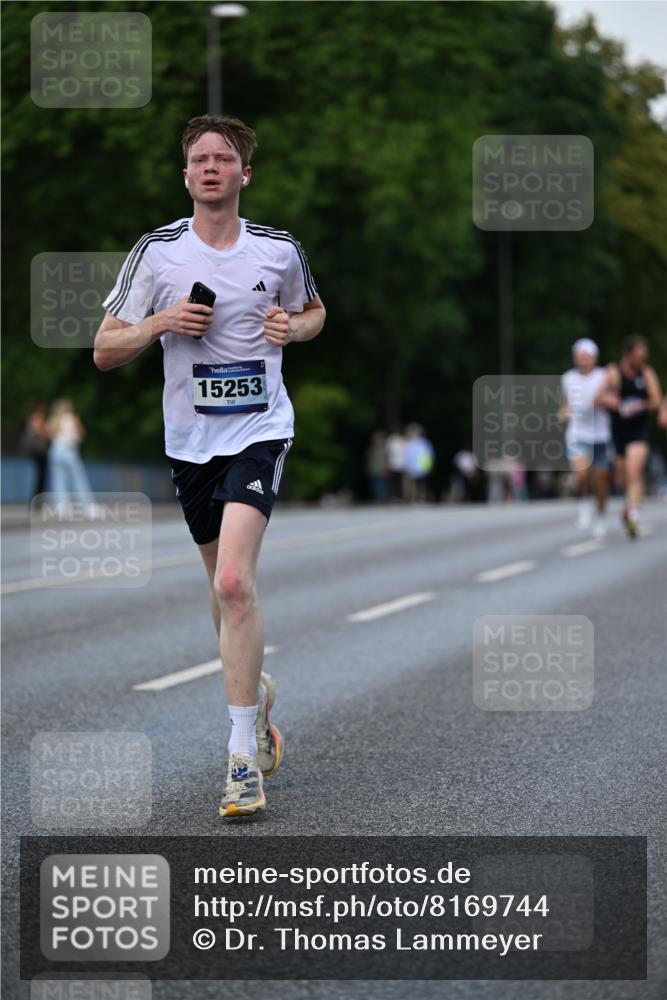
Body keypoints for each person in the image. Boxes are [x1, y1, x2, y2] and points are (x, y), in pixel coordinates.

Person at [94, 116, 325, 817]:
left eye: (224, 158)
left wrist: (292, 327)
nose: (212, 168)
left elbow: (313, 311)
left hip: (260, 429)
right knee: (220, 592)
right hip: (190, 440)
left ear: (244, 174)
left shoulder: (277, 249)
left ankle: (240, 758)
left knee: (232, 582)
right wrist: (162, 322)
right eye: (200, 159)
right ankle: (257, 702)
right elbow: (104, 349)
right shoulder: (157, 252)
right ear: (186, 175)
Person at [602, 335, 662, 538]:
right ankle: (629, 505)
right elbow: (598, 397)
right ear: (628, 354)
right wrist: (610, 400)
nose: (641, 360)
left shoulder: (646, 373)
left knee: (634, 470)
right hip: (618, 431)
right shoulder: (613, 372)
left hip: (638, 430)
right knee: (622, 478)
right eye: (637, 356)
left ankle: (632, 514)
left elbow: (656, 400)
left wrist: (641, 405)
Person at [559, 338, 612, 539]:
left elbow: (612, 398)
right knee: (581, 475)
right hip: (577, 434)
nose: (583, 359)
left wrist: (604, 400)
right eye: (580, 356)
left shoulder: (604, 376)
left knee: (600, 482)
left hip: (600, 435)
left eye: (587, 356)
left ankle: (600, 517)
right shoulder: (568, 378)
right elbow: (568, 402)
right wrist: (563, 412)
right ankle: (583, 505)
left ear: (594, 358)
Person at [46, 399, 96, 517]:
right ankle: (88, 507)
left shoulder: (54, 419)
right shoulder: (72, 418)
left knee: (58, 481)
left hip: (55, 451)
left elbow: (49, 435)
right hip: (69, 451)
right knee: (79, 480)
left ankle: (62, 508)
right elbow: (82, 435)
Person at [20, 400, 51, 506]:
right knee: (41, 477)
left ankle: (38, 500)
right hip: (39, 451)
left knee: (41, 476)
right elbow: (43, 433)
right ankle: (37, 501)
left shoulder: (34, 418)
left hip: (38, 451)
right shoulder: (37, 418)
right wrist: (48, 432)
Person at [403, 423, 434, 503]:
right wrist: (407, 465)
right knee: (414, 484)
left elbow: (429, 454)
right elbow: (408, 456)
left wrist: (429, 465)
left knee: (421, 484)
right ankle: (415, 498)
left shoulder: (424, 442)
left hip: (422, 466)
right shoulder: (411, 443)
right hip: (414, 466)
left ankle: (421, 498)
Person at [365, 429, 388, 502]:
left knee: (380, 485)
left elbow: (386, 460)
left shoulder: (384, 449)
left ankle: (381, 498)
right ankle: (377, 498)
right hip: (373, 470)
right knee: (374, 485)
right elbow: (369, 460)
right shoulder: (371, 449)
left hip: (381, 470)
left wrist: (385, 468)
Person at [385, 425, 406, 501]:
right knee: (393, 481)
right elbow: (387, 452)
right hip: (393, 464)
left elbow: (405, 452)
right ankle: (393, 496)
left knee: (399, 481)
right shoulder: (390, 440)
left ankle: (399, 496)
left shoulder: (401, 440)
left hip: (400, 464)